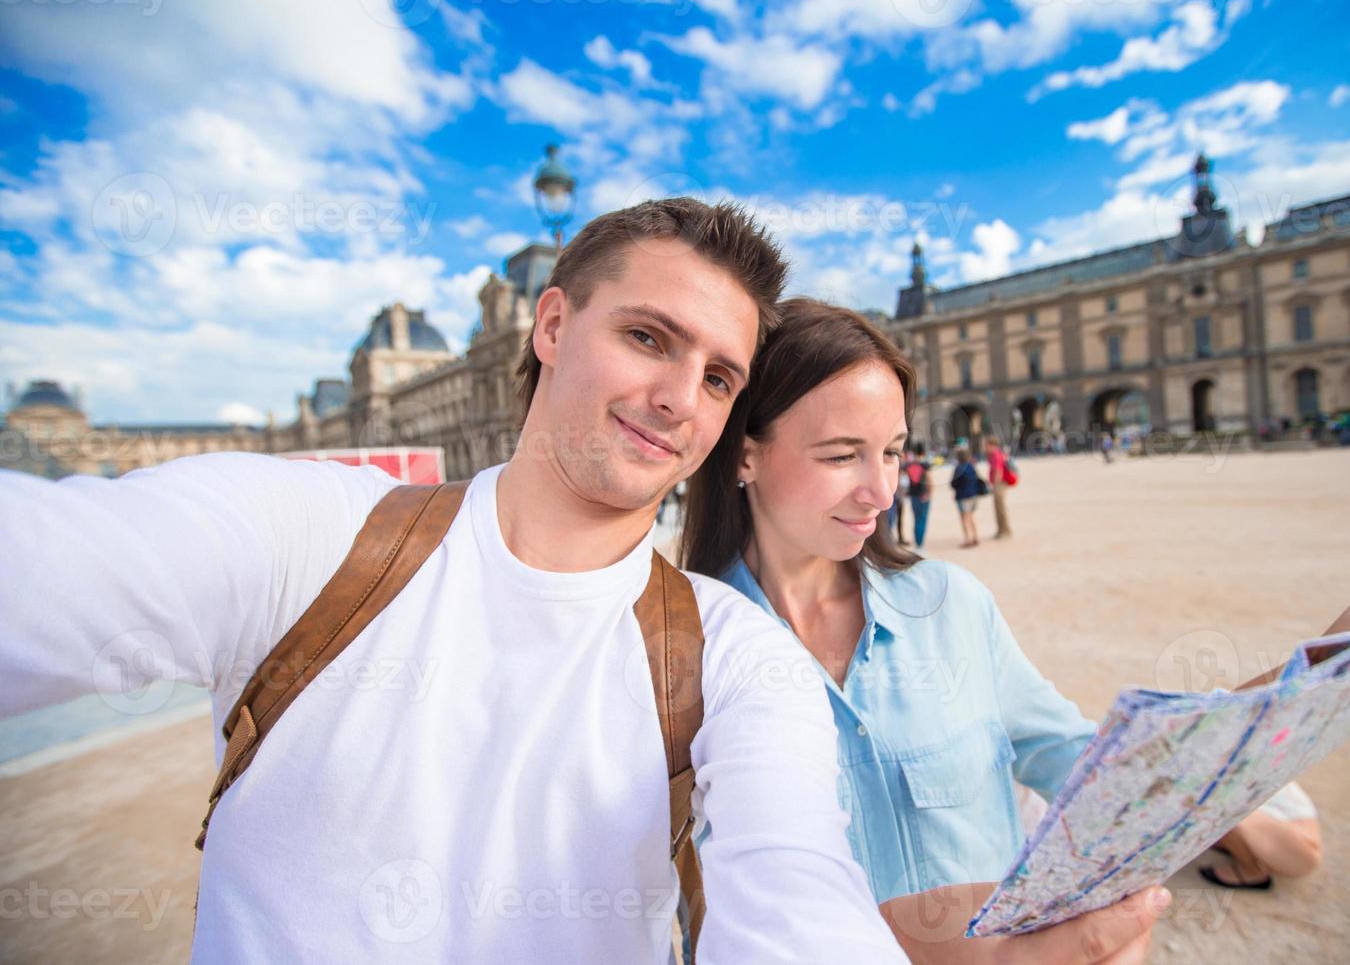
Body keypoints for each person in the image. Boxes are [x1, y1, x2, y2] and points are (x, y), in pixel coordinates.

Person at [0, 204, 1168, 965]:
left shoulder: (737, 655)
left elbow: (795, 898)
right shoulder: (306, 536)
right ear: (549, 323)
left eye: (720, 375)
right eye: (650, 338)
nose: (679, 397)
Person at [679, 298, 1350, 958]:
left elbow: (1104, 771)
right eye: (841, 454)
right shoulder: (685, 644)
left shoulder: (949, 605)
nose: (880, 489)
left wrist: (1323, 667)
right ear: (745, 455)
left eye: (892, 451)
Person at [1201, 782, 1321, 890]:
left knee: (1222, 809)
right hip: (1287, 842)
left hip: (1299, 853)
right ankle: (1244, 850)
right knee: (1218, 805)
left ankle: (1252, 872)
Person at [950, 446, 985, 548]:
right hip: (973, 495)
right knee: (971, 517)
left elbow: (954, 483)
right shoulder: (971, 466)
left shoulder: (959, 468)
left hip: (963, 496)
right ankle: (975, 537)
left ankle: (968, 539)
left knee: (964, 518)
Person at [985, 436, 1013, 540]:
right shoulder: (994, 454)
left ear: (991, 445)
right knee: (998, 507)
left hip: (1000, 484)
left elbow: (998, 471)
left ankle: (1005, 531)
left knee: (1000, 508)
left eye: (986, 445)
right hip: (998, 484)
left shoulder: (996, 455)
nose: (985, 447)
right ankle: (1001, 530)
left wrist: (994, 485)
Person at [904, 447, 932, 551]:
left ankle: (917, 541)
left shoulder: (909, 466)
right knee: (923, 519)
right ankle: (920, 543)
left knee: (916, 519)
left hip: (913, 495)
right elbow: (930, 481)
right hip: (923, 495)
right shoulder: (924, 466)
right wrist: (929, 494)